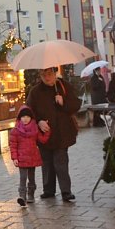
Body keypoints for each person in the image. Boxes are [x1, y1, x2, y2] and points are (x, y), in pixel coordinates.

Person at [26, 67, 81, 202]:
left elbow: (76, 105)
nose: (47, 77)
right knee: (46, 162)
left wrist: (63, 102)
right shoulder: (35, 91)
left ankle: (66, 191)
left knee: (61, 162)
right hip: (44, 134)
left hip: (62, 132)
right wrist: (38, 121)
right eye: (43, 74)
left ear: (55, 73)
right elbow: (28, 111)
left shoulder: (64, 86)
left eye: (49, 74)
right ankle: (48, 190)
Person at [10, 105, 50, 207]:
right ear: (19, 118)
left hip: (32, 157)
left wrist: (47, 131)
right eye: (23, 117)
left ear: (31, 117)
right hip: (21, 158)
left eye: (27, 117)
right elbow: (13, 145)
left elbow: (42, 140)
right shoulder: (16, 130)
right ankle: (22, 196)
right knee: (22, 178)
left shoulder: (35, 128)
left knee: (31, 177)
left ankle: (31, 194)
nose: (25, 119)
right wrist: (14, 158)